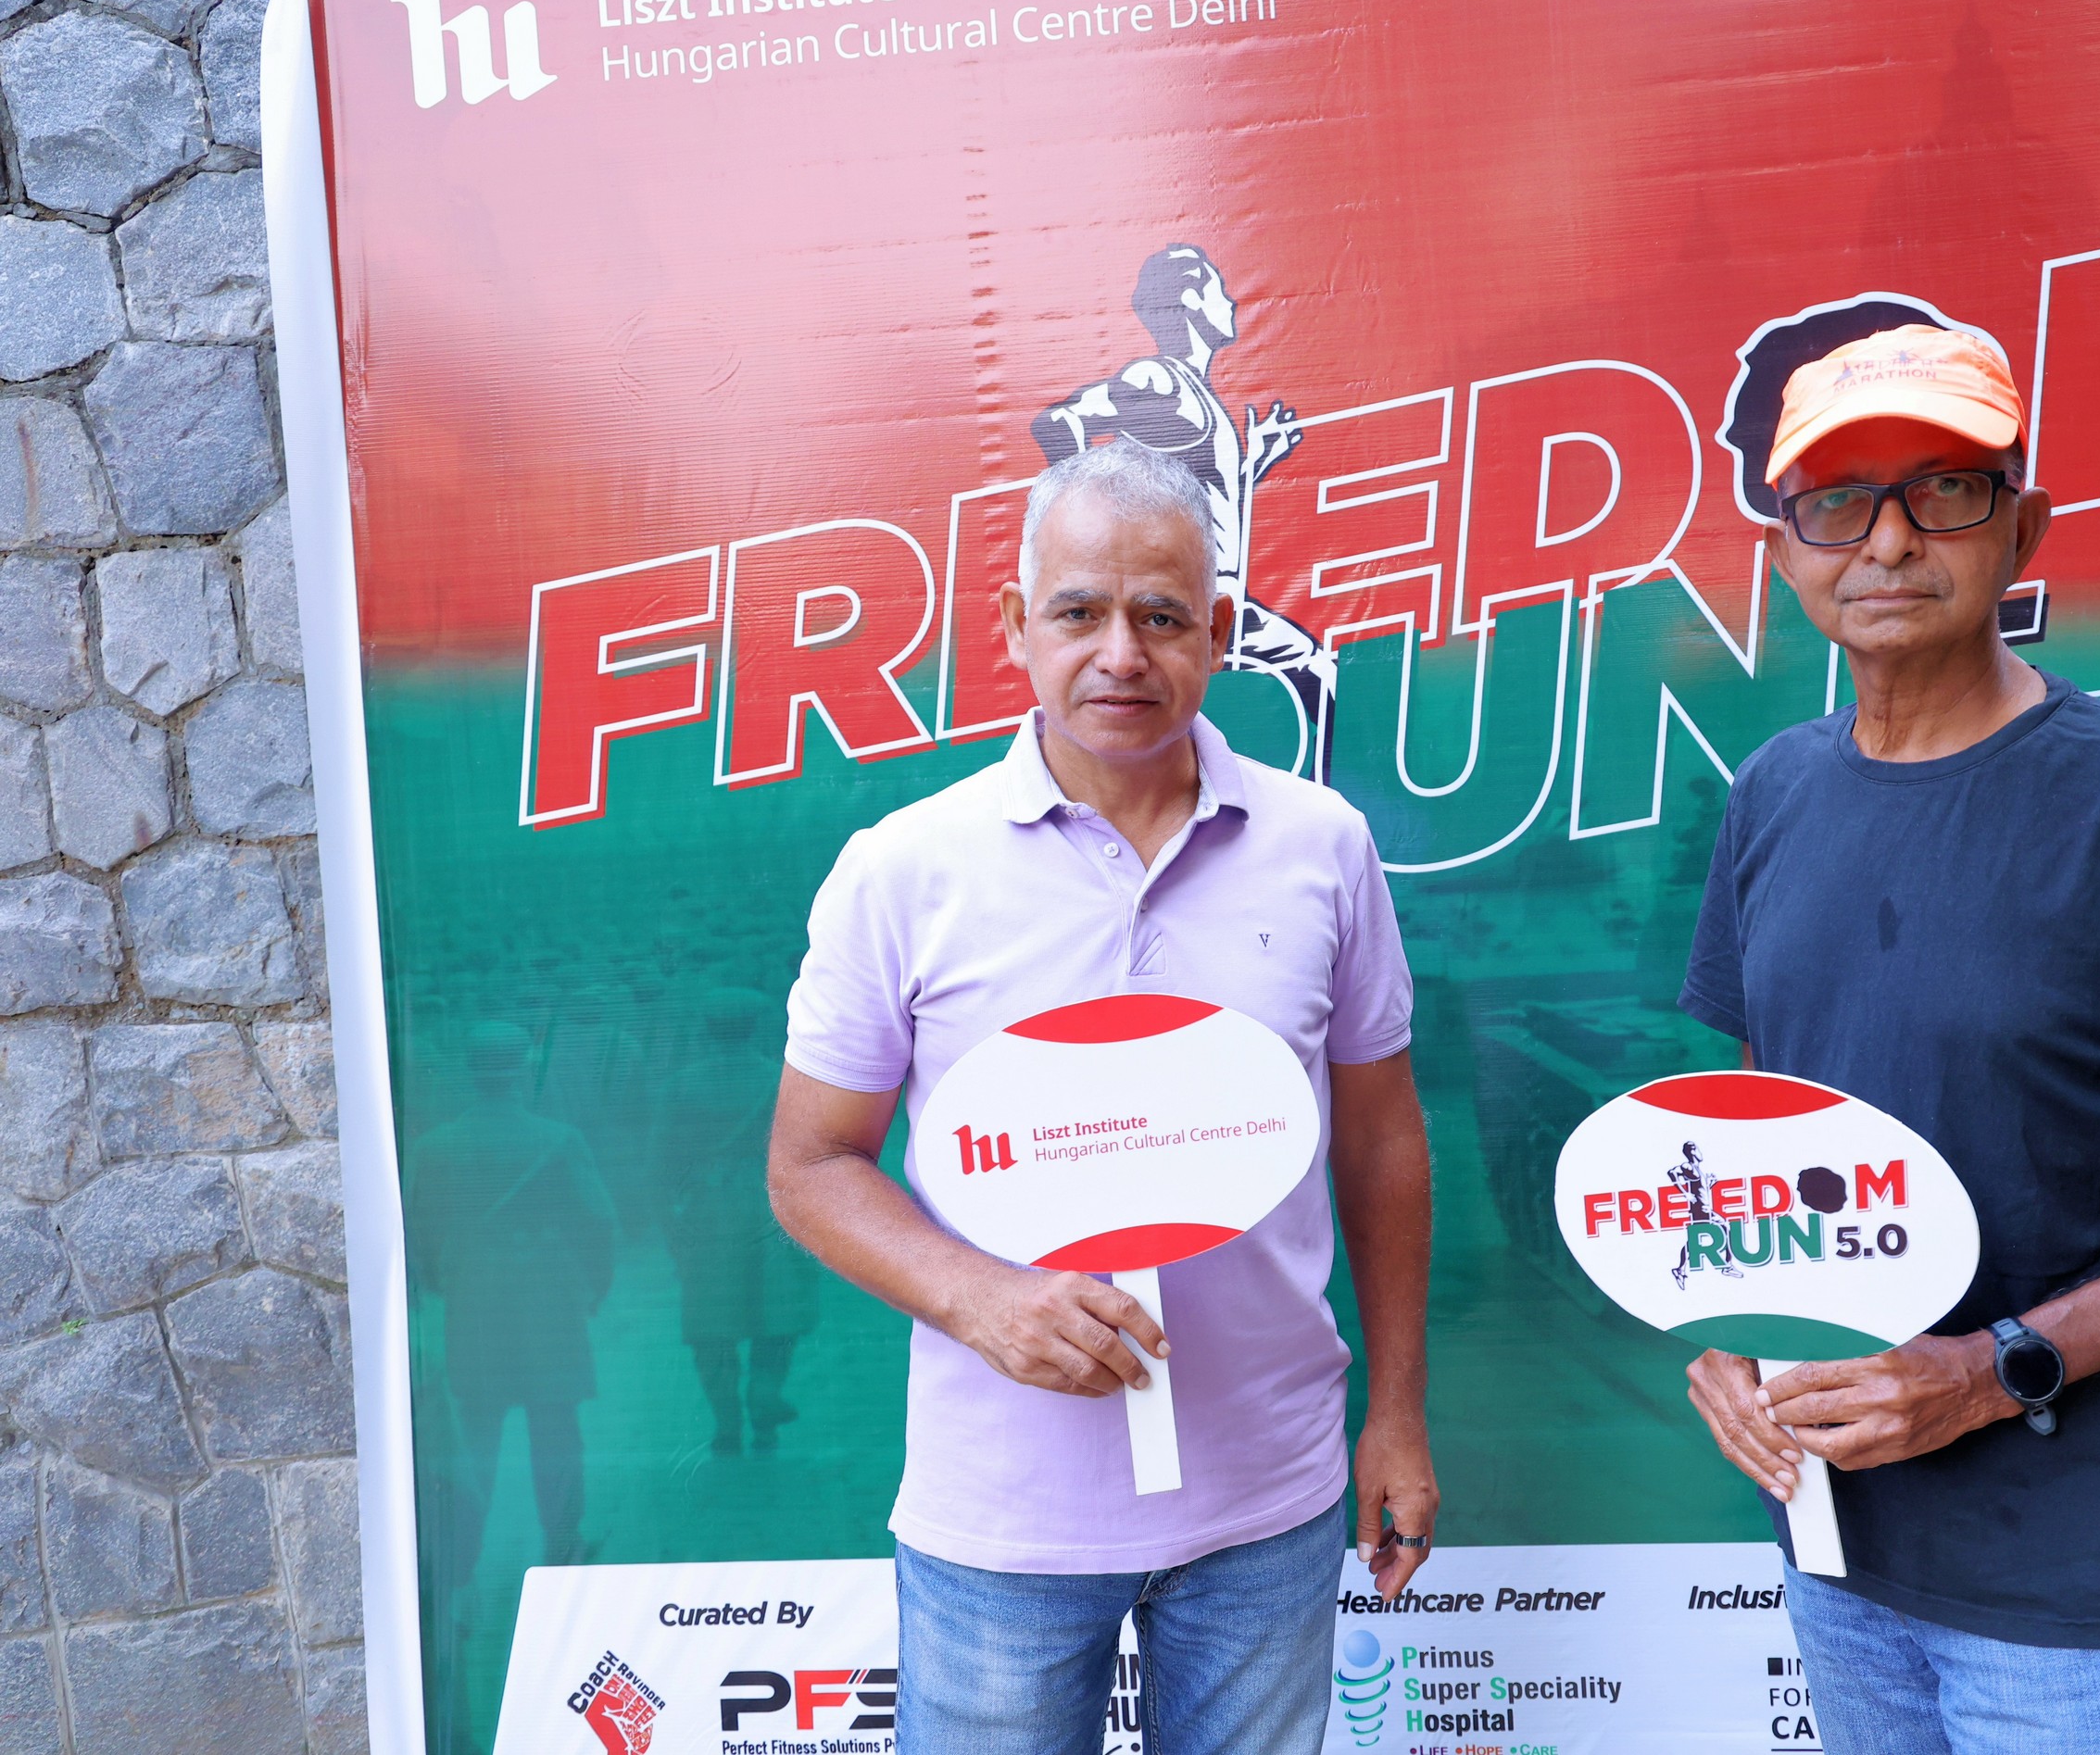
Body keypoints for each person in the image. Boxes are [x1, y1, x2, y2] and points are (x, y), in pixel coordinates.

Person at [1677, 322, 2100, 1755]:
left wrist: (1991, 1372)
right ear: (1787, 550)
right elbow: (1761, 1130)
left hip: (2062, 1586)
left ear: (2023, 530)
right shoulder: (1772, 794)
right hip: (1832, 1539)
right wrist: (1726, 1336)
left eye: (1944, 489)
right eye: (1837, 502)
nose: (1888, 540)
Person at [768, 438, 1438, 1754]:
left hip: (1270, 1500)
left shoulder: (1324, 847)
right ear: (1014, 624)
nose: (1120, 654)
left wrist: (1399, 1413)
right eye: (1078, 612)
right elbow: (811, 1166)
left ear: (1221, 634)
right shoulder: (903, 871)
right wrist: (982, 1300)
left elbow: (1380, 1140)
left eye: (1162, 616)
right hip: (1003, 1519)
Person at [1032, 244, 1333, 733]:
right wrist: (1084, 510)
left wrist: (1256, 462)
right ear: (1191, 300)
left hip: (1207, 603)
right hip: (1176, 608)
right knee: (1313, 670)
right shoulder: (1157, 379)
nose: (1232, 303)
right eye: (1220, 291)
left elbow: (1207, 500)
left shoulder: (1195, 390)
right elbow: (1058, 421)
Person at [403, 1021, 619, 1577]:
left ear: (471, 1074)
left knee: (476, 1429)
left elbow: (419, 1231)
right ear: (523, 1072)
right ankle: (563, 1544)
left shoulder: (433, 1148)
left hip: (474, 1296)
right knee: (556, 1427)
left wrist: (442, 1281)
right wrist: (595, 1285)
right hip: (548, 1296)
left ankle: (462, 1556)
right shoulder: (559, 1140)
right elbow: (598, 1221)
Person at [655, 986, 820, 1455]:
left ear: (708, 1030)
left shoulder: (682, 1086)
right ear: (753, 1027)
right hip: (772, 1205)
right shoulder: (779, 1079)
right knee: (776, 1315)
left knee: (711, 1323)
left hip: (706, 1209)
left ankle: (725, 1423)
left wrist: (669, 1220)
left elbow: (662, 1160)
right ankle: (764, 1400)